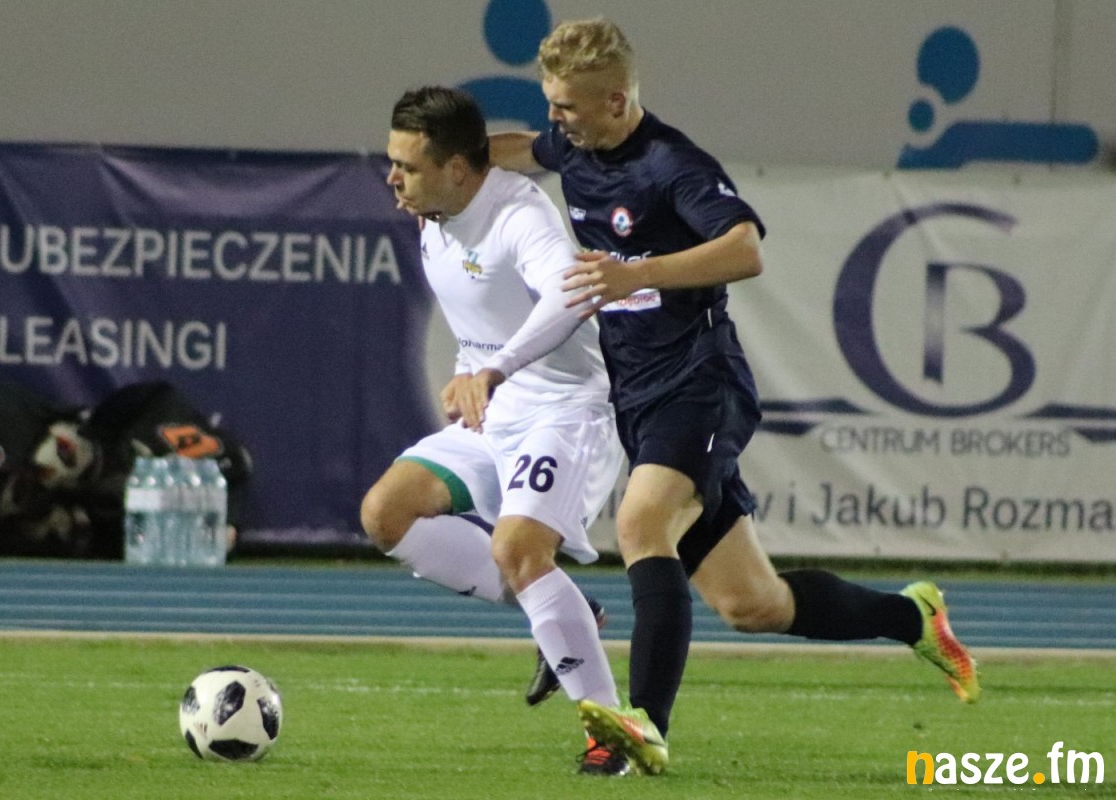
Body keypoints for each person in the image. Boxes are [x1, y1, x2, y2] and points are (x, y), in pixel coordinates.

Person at [488, 18, 980, 775]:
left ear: (616, 101)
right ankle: (911, 615)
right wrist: (445, 159)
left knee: (640, 521)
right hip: (640, 398)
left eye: (567, 107)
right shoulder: (576, 145)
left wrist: (634, 273)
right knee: (755, 604)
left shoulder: (672, 164)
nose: (555, 119)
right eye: (550, 103)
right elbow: (523, 148)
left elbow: (745, 247)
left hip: (700, 384)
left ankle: (643, 728)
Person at [359, 86, 632, 775]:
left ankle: (611, 738)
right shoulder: (435, 213)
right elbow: (483, 315)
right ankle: (565, 611)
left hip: (564, 410)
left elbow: (574, 293)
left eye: (408, 166)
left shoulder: (518, 215)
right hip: (496, 411)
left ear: (456, 169)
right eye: (392, 162)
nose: (393, 178)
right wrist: (475, 375)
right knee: (386, 513)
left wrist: (494, 370)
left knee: (518, 549)